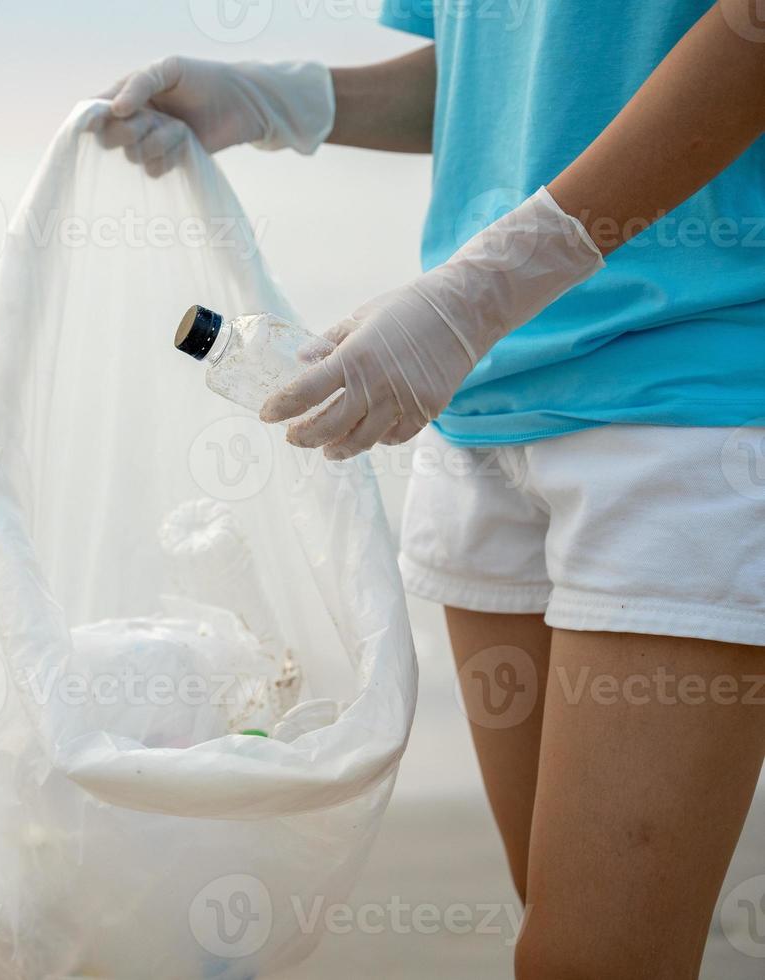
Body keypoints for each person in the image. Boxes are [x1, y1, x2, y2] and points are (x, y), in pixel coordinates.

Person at [98, 3, 765, 978]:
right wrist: (278, 97)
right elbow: (507, 82)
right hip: (483, 405)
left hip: (681, 398)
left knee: (585, 959)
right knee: (557, 919)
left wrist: (477, 292)